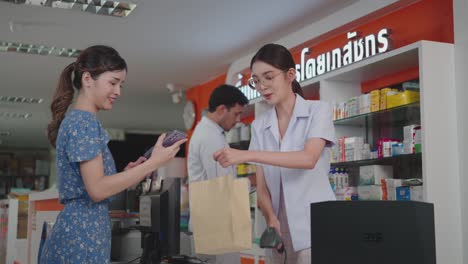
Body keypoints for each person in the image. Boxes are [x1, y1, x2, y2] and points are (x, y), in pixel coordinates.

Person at [40, 45, 186, 263]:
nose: (118, 91)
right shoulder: (84, 123)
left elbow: (96, 185)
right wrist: (152, 163)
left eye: (121, 84)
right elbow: (97, 190)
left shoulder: (81, 121)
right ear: (88, 79)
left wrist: (130, 173)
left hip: (84, 232)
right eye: (113, 82)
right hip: (82, 235)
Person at [213, 44, 336, 264]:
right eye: (257, 80)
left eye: (269, 77)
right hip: (279, 231)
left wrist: (247, 155)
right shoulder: (260, 125)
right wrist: (271, 218)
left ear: (290, 74)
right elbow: (262, 188)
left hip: (315, 227)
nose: (262, 86)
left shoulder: (318, 110)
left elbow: (308, 159)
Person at [187, 84, 248, 263]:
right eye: (236, 113)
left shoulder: (210, 133)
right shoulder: (211, 137)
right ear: (222, 109)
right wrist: (253, 182)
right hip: (216, 225)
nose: (238, 120)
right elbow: (221, 185)